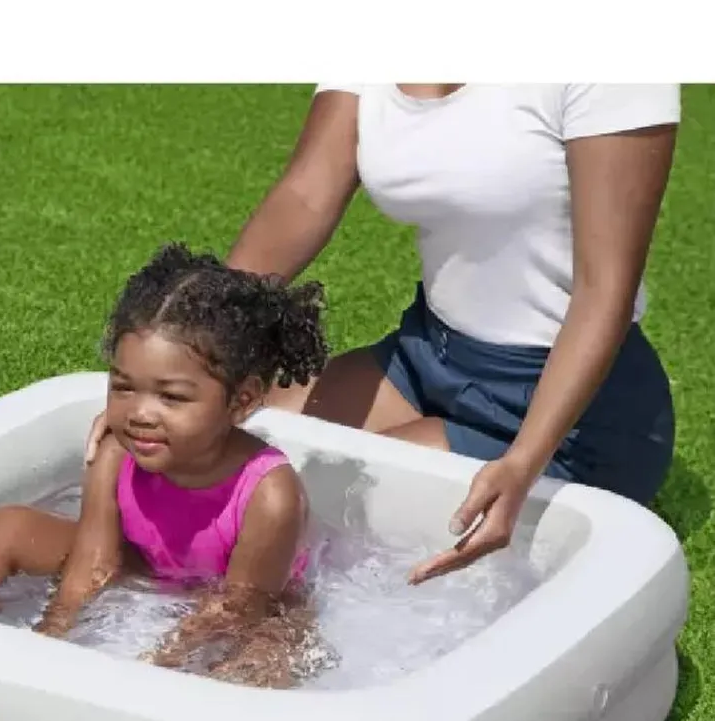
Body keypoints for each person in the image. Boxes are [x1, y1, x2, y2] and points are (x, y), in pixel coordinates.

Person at [86, 84, 681, 584]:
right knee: (212, 438)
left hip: (572, 410)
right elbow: (306, 193)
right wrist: (182, 375)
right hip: (425, 357)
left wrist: (524, 461)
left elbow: (604, 291)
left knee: (306, 503)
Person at [0, 243, 331, 688]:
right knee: (6, 528)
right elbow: (91, 566)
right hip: (144, 564)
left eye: (171, 397)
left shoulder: (269, 494)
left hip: (249, 602)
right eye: (123, 387)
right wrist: (49, 644)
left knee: (266, 658)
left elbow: (238, 609)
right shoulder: (117, 451)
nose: (140, 413)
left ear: (242, 400)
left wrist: (151, 670)